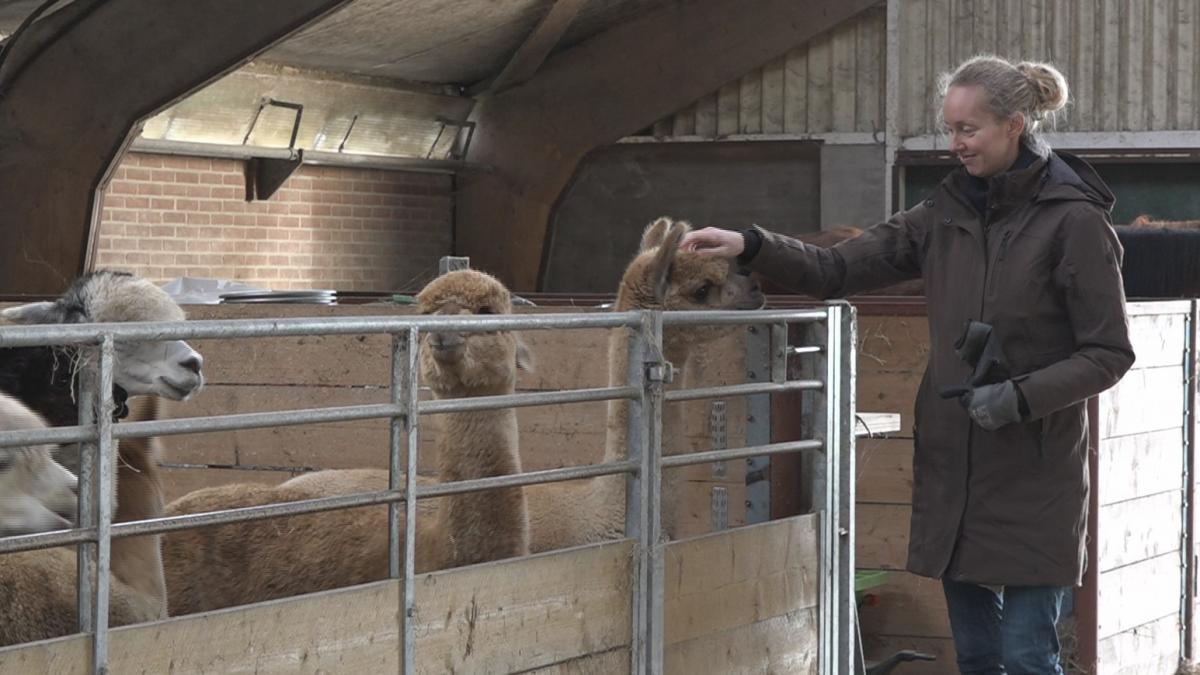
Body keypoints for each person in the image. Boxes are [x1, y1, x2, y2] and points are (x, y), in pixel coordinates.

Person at [680, 55, 1134, 675]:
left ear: (1015, 125)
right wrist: (750, 244)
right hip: (955, 461)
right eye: (950, 129)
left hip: (1035, 468)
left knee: (1027, 655)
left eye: (968, 130)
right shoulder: (942, 214)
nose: (955, 145)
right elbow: (838, 267)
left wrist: (1021, 397)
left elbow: (1109, 352)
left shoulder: (1074, 222)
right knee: (976, 656)